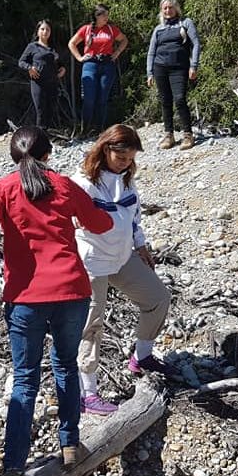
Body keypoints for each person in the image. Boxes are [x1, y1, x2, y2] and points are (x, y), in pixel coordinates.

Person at [0, 126, 112, 476]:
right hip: (71, 292)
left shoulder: (1, 189)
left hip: (26, 298)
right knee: (66, 368)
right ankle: (70, 443)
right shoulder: (64, 185)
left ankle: (13, 466)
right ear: (48, 154)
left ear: (14, 157)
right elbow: (101, 223)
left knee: (25, 379)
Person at [71, 124, 178, 415]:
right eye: (121, 157)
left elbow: (134, 218)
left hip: (122, 256)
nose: (126, 163)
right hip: (92, 260)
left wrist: (141, 246)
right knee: (92, 324)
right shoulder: (83, 183)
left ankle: (141, 357)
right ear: (105, 150)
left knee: (157, 298)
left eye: (130, 158)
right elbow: (66, 216)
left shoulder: (127, 181)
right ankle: (87, 393)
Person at [145, 0, 201, 149]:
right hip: (160, 68)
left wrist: (193, 66)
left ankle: (188, 135)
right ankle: (169, 135)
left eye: (170, 7)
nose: (168, 10)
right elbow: (151, 52)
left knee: (180, 99)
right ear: (161, 11)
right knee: (165, 101)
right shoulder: (158, 29)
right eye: (165, 8)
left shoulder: (186, 23)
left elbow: (196, 44)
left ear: (176, 8)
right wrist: (150, 73)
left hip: (179, 68)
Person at [68, 4, 129, 134]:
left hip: (107, 64)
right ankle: (85, 128)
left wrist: (117, 52)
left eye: (107, 14)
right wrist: (79, 58)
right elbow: (71, 43)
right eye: (104, 14)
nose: (106, 17)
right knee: (89, 97)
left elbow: (124, 40)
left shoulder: (111, 29)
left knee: (102, 98)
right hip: (90, 63)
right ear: (96, 16)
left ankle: (98, 129)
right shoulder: (86, 29)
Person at [18, 19, 67, 129]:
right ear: (38, 31)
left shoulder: (53, 47)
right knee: (40, 110)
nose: (45, 32)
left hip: (52, 82)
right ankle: (39, 137)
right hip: (38, 82)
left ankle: (46, 136)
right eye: (42, 29)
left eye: (48, 30)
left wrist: (63, 69)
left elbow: (60, 63)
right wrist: (29, 68)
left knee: (51, 109)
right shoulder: (32, 46)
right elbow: (21, 62)